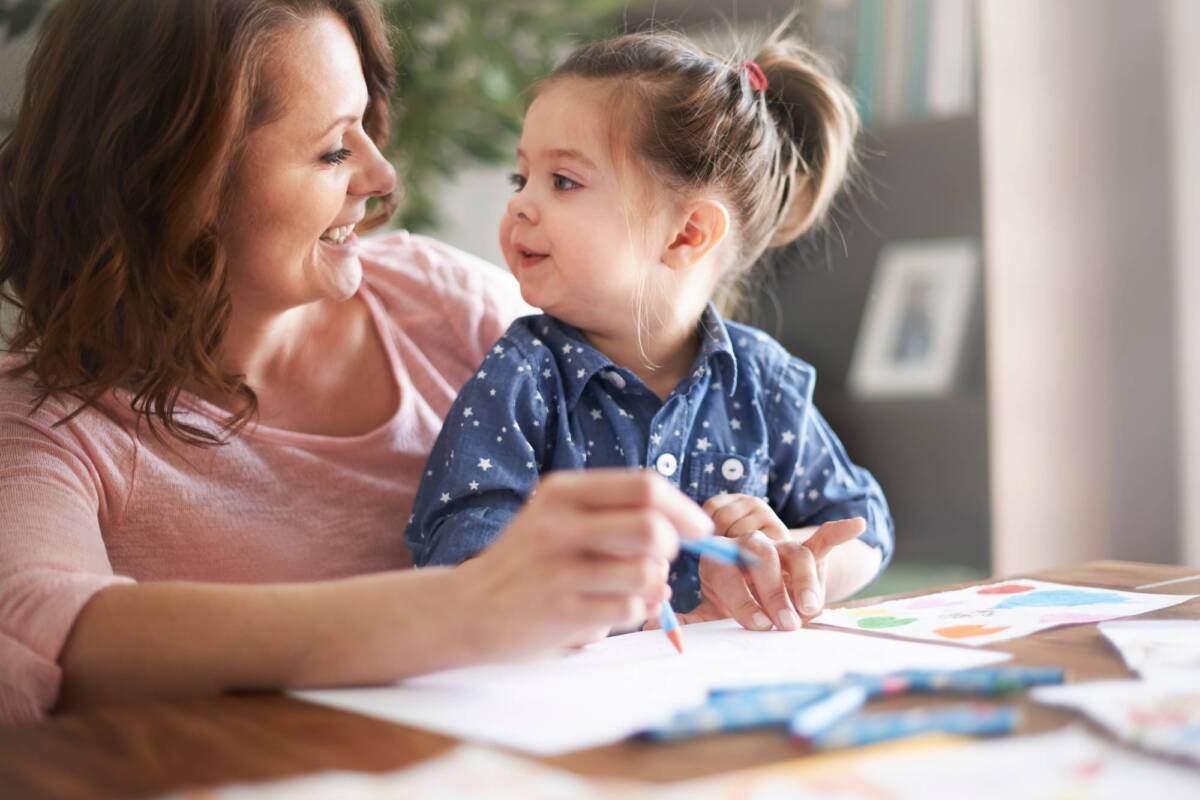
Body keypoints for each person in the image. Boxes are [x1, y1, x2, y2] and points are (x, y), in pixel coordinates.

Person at [0, 0, 715, 724]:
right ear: (176, 181)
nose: (381, 176)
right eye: (334, 150)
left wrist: (744, 536)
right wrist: (468, 606)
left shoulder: (447, 308)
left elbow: (676, 448)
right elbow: (38, 629)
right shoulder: (46, 424)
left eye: (366, 127)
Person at [406, 29, 894, 634]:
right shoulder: (523, 373)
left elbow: (864, 527)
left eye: (563, 182)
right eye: (521, 178)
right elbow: (458, 547)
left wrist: (789, 561)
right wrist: (566, 585)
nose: (521, 206)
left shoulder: (764, 382)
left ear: (688, 234)